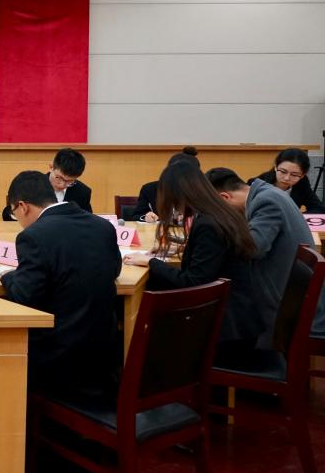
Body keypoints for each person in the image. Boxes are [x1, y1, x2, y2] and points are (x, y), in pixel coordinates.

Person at [0, 171, 121, 396]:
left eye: (14, 213)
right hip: (105, 353)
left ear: (23, 206)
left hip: (58, 358)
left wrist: (7, 276)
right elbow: (115, 270)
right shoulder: (102, 226)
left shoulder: (34, 236)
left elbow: (23, 296)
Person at [124, 163, 260, 363]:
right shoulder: (219, 214)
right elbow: (213, 261)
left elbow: (193, 282)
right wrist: (179, 251)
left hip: (226, 328)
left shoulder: (208, 224)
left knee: (146, 310)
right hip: (238, 315)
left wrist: (152, 262)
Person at [206, 167, 313, 348]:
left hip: (282, 304)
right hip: (287, 291)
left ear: (224, 198)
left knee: (222, 314)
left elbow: (253, 249)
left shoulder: (266, 201)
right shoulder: (267, 192)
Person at [1, 148, 92, 220]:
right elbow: (7, 215)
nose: (62, 185)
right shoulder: (32, 185)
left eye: (69, 181)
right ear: (51, 167)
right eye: (58, 177)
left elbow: (86, 219)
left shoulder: (82, 192)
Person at [129, 145, 201, 222]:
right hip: (156, 229)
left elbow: (205, 216)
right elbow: (136, 216)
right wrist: (145, 217)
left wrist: (190, 217)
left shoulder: (199, 191)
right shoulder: (150, 189)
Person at [249, 147, 325, 213]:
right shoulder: (257, 184)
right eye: (283, 171)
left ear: (302, 175)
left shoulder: (302, 183)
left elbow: (318, 208)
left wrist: (297, 218)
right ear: (275, 166)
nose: (287, 178)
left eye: (294, 175)